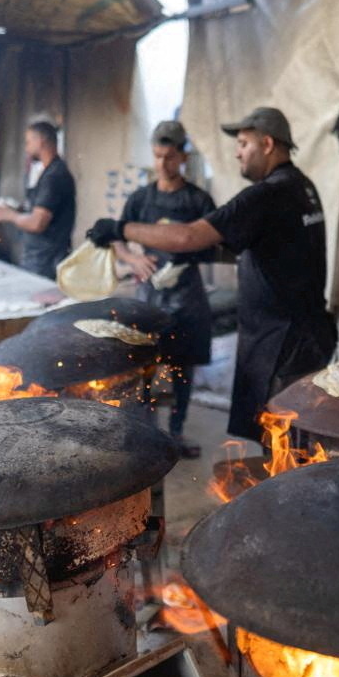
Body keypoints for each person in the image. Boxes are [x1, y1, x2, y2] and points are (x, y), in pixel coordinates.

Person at [89, 107, 336, 441]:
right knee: (299, 439)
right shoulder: (302, 188)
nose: (237, 152)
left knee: (284, 444)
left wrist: (119, 228)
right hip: (307, 334)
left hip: (281, 343)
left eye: (244, 144)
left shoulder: (265, 195)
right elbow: (257, 248)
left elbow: (189, 236)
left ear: (266, 144)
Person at [112, 121, 217, 456]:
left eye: (169, 157)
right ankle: (148, 434)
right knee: (145, 363)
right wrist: (133, 260)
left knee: (182, 366)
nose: (162, 164)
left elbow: (216, 242)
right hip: (150, 294)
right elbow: (116, 237)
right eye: (157, 156)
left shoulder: (198, 200)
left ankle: (176, 433)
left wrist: (188, 255)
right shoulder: (141, 199)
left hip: (186, 294)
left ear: (183, 157)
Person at [0, 121, 75, 278]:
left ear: (40, 141)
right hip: (39, 257)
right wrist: (14, 210)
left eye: (28, 142)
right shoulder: (48, 172)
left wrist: (7, 215)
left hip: (46, 260)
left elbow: (37, 223)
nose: (26, 147)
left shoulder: (54, 176)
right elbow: (38, 210)